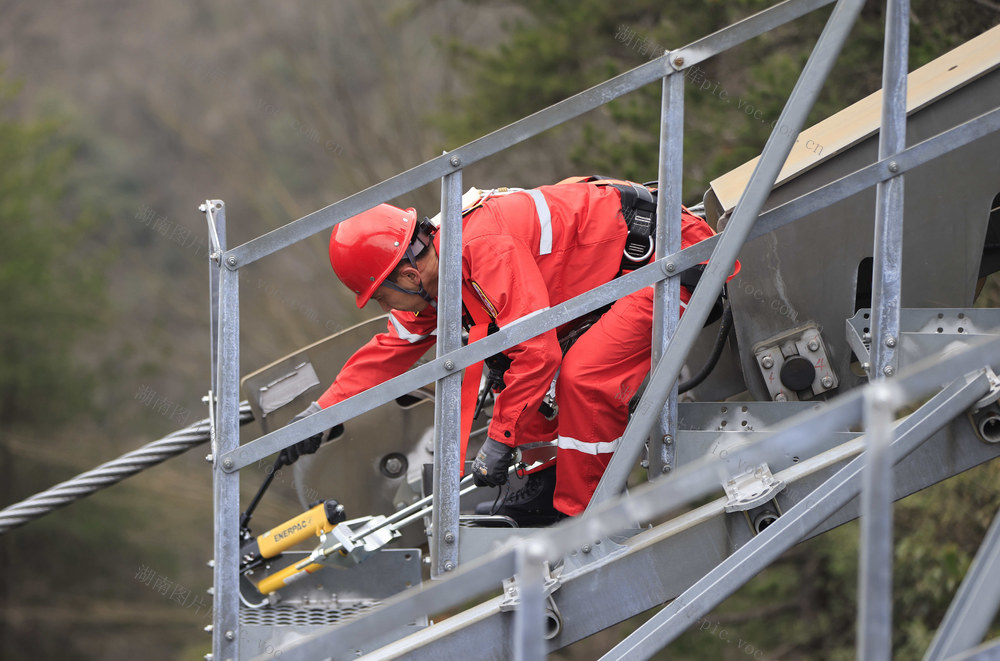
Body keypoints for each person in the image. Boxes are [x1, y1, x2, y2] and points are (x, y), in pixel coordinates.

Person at [281, 177, 734, 524]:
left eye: (380, 297)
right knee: (508, 369)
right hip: (623, 274)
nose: (384, 309)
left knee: (582, 376)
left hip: (678, 261)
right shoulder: (442, 270)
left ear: (406, 276)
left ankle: (588, 515)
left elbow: (539, 355)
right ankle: (547, 487)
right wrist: (321, 415)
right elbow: (391, 347)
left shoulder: (482, 247)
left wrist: (499, 442)